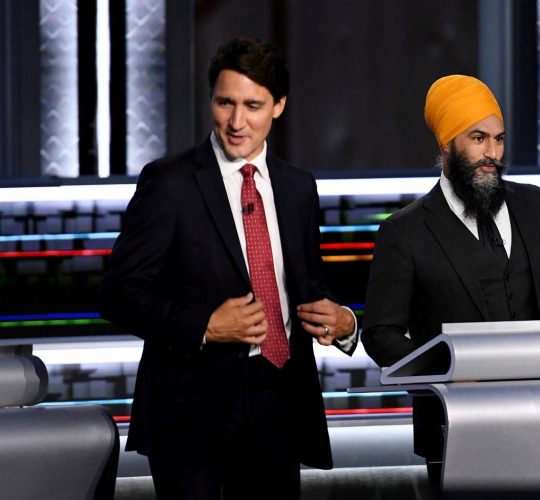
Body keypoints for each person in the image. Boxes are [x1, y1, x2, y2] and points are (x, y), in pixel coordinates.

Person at [99, 37, 357, 500]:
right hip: (190, 410)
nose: (237, 122)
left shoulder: (298, 188)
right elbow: (117, 293)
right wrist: (204, 326)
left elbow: (310, 289)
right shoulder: (170, 183)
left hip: (278, 403)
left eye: (253, 105)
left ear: (278, 106)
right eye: (225, 103)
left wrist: (344, 323)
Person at [361, 74, 540, 490]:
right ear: (447, 145)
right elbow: (381, 334)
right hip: (457, 430)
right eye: (478, 138)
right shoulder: (405, 232)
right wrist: (448, 372)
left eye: (499, 139)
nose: (492, 154)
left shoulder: (537, 206)